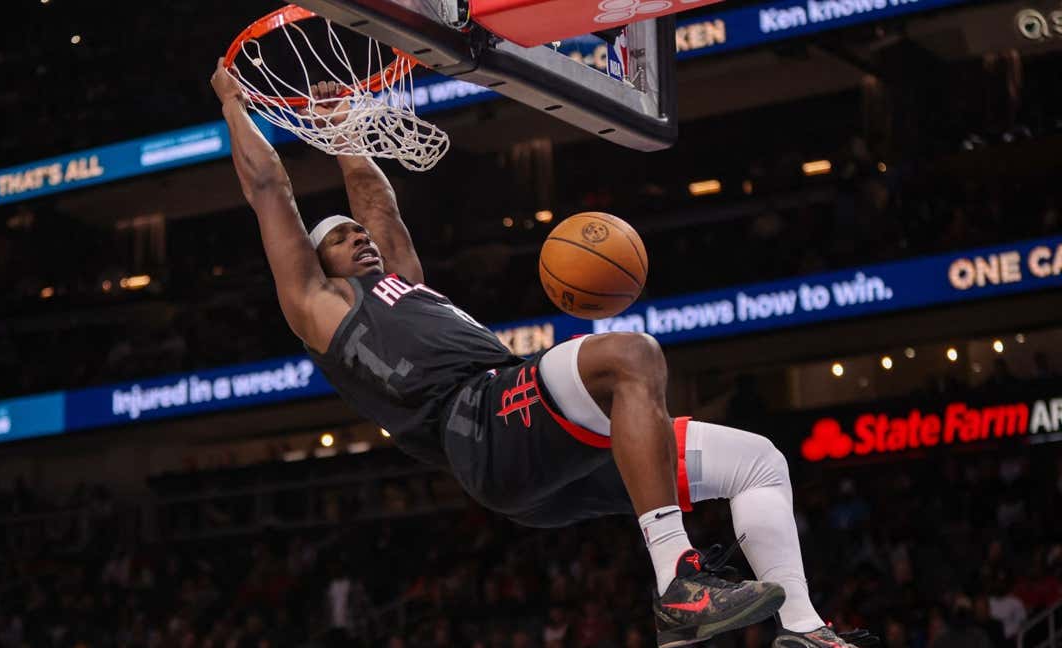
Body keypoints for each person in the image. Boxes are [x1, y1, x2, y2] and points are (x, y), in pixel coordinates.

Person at [210, 60, 877, 648]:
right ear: (319, 264)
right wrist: (233, 104)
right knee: (629, 356)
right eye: (341, 240)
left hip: (533, 455)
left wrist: (344, 131)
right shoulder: (318, 308)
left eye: (360, 235)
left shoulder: (401, 283)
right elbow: (270, 190)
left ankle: (802, 628)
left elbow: (378, 205)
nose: (360, 239)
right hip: (480, 420)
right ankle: (679, 578)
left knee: (758, 463)